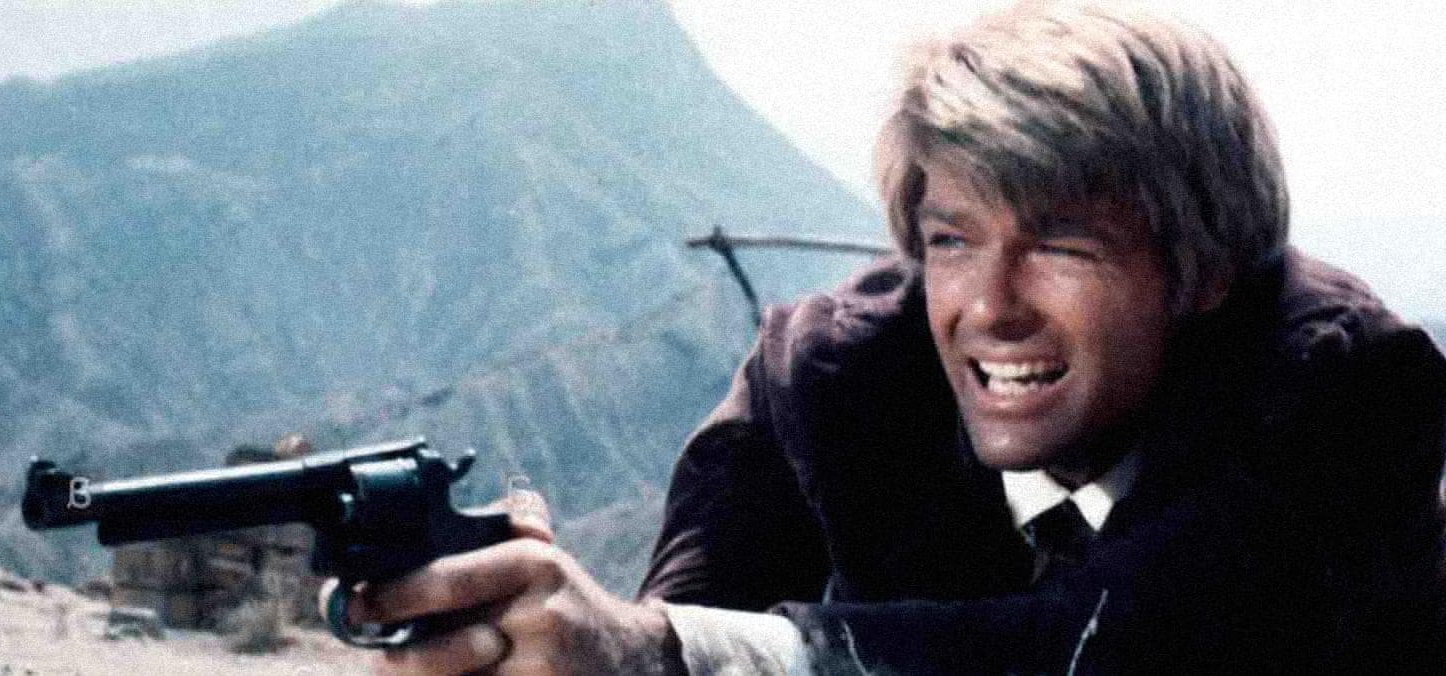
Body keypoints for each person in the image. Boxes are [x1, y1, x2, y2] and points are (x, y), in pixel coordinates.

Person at [335, 2, 1446, 673]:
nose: (990, 305)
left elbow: (1118, 646)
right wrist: (518, 634)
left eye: (1063, 244)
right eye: (952, 239)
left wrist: (653, 651)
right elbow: (669, 636)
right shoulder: (828, 381)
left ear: (1200, 268)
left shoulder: (1347, 387)